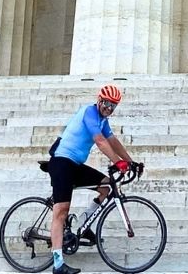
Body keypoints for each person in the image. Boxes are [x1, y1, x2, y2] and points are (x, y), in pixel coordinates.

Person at [43, 83, 139, 274]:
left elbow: (112, 141)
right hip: (62, 161)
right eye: (106, 103)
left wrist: (131, 162)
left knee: (106, 187)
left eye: (113, 105)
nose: (109, 108)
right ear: (99, 100)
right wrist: (117, 162)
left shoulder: (103, 121)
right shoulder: (89, 113)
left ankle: (82, 224)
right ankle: (58, 264)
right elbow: (100, 141)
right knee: (61, 211)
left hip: (75, 165)